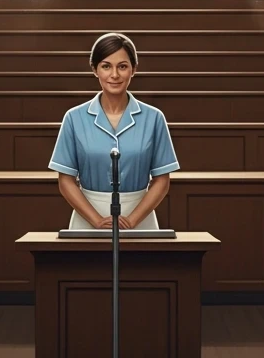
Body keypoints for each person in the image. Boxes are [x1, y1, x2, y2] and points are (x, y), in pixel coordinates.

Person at [48, 32, 179, 230]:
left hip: (140, 218)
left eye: (123, 66)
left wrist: (133, 220)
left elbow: (162, 179)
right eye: (106, 66)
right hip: (87, 217)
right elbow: (65, 179)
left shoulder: (154, 118)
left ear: (134, 70)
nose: (115, 75)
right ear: (95, 69)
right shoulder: (74, 118)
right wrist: (96, 220)